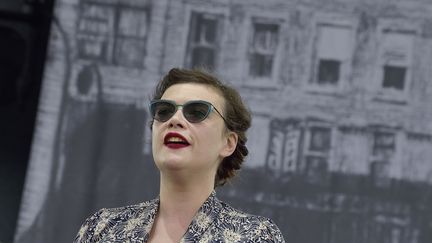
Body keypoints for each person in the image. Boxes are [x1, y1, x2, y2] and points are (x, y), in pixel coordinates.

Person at [74, 68, 286, 242]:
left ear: (228, 143)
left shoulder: (255, 236)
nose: (174, 120)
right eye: (164, 111)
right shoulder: (101, 229)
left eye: (196, 112)